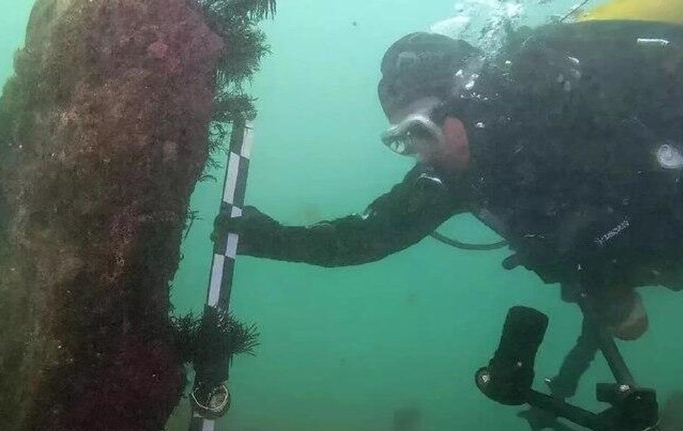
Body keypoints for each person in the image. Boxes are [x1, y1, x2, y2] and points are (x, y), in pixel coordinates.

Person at [214, 18, 683, 367]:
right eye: (401, 141)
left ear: (464, 101)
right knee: (629, 325)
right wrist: (273, 239)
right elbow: (371, 236)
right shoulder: (451, 177)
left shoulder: (567, 98)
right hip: (650, 263)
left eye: (420, 131)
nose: (420, 154)